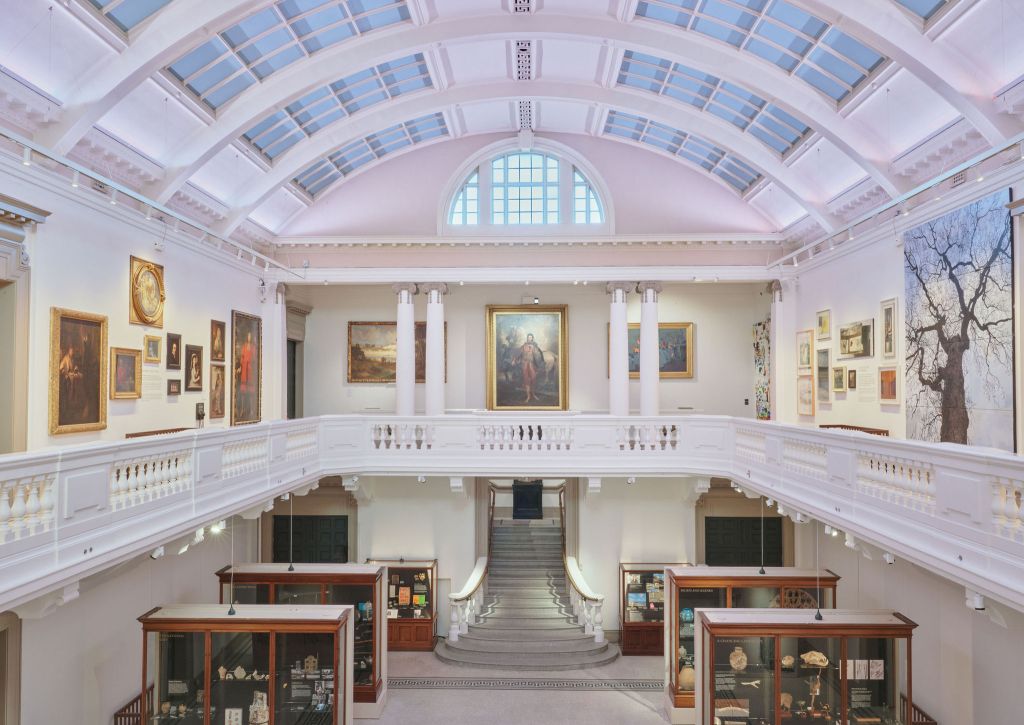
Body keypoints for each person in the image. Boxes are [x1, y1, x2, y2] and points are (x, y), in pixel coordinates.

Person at [514, 333, 544, 404]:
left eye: (531, 337)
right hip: (525, 365)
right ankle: (528, 396)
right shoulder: (524, 346)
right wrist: (514, 359)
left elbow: (538, 356)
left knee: (533, 379)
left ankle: (533, 394)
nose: (529, 338)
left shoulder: (535, 346)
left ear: (532, 338)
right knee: (526, 380)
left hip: (532, 364)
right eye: (528, 337)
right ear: (527, 338)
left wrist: (539, 363)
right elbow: (518, 353)